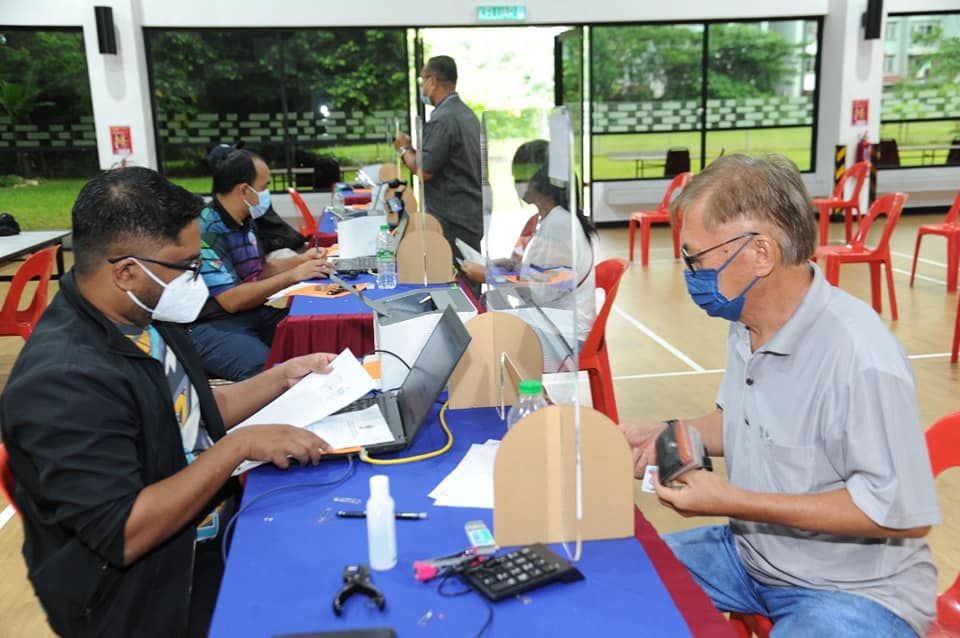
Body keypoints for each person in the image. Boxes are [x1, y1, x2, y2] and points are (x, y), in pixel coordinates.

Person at [0, 167, 337, 637]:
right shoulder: (62, 382)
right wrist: (237, 448)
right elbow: (125, 532)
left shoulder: (146, 317)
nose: (197, 282)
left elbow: (189, 415)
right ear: (126, 272)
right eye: (187, 267)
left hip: (209, 526)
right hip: (149, 595)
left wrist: (280, 378)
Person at [620, 155, 940, 637]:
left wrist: (732, 499)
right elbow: (742, 421)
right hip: (753, 555)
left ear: (761, 254)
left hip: (853, 589)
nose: (689, 273)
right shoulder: (749, 321)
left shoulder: (860, 358)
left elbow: (898, 514)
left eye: (695, 258)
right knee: (611, 584)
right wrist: (672, 431)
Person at [190, 148, 331, 381]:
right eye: (264, 186)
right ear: (244, 190)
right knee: (266, 374)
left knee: (311, 323)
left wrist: (302, 260)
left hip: (251, 311)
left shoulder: (245, 220)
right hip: (211, 324)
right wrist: (294, 274)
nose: (266, 194)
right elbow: (232, 299)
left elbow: (258, 271)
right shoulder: (206, 230)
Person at [462, 141, 597, 344]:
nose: (516, 184)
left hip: (563, 334)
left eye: (518, 177)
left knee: (479, 336)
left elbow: (543, 291)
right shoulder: (554, 218)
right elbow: (548, 276)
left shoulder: (559, 224)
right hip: (553, 321)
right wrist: (515, 267)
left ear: (537, 181)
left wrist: (490, 276)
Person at [392, 55, 483, 267]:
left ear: (433, 81)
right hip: (469, 213)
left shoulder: (444, 118)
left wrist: (404, 148)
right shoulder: (466, 114)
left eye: (423, 80)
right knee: (468, 280)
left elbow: (424, 170)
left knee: (456, 282)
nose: (422, 87)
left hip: (452, 219)